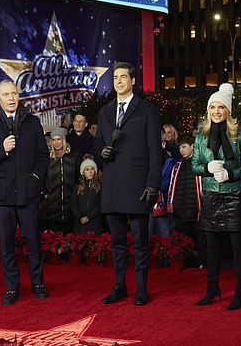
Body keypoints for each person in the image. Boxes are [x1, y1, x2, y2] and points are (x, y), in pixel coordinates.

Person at [0, 80, 50, 306]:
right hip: (1, 197)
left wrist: (35, 178)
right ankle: (12, 287)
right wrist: (2, 150)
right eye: (6, 94)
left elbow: (43, 156)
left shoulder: (32, 122)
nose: (11, 97)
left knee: (34, 241)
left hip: (27, 194)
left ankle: (38, 283)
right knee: (6, 245)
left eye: (14, 93)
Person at [94, 62, 162, 306]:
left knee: (141, 242)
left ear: (133, 81)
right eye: (115, 77)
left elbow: (156, 152)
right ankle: (119, 286)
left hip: (137, 185)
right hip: (112, 184)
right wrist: (102, 152)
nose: (119, 81)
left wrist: (153, 184)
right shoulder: (105, 111)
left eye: (124, 77)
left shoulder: (147, 110)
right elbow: (97, 144)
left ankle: (141, 288)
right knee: (117, 242)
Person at [192, 83, 241, 311]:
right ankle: (212, 289)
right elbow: (195, 166)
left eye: (221, 107)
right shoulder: (201, 136)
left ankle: (240, 292)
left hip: (233, 196)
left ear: (228, 110)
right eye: (212, 108)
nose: (216, 111)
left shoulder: (239, 134)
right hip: (210, 196)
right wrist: (208, 168)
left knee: (238, 246)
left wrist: (230, 173)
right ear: (208, 110)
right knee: (212, 247)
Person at [165, 135, 206, 267]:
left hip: (197, 210)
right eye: (180, 147)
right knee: (183, 239)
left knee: (201, 239)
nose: (181, 150)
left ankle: (203, 263)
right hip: (181, 210)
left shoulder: (200, 164)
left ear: (192, 146)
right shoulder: (177, 165)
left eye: (184, 147)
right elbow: (173, 186)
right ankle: (186, 262)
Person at [43, 127, 77, 234]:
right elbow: (42, 179)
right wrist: (45, 194)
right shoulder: (47, 159)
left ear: (64, 140)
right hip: (52, 207)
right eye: (54, 140)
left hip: (71, 207)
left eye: (59, 139)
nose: (56, 143)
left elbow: (78, 178)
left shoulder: (73, 157)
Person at [71, 157, 104, 234]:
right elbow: (73, 204)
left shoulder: (99, 186)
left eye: (92, 169)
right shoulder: (78, 186)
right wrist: (80, 217)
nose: (90, 172)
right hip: (80, 224)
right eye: (87, 169)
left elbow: (101, 204)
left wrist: (88, 217)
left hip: (95, 224)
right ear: (83, 172)